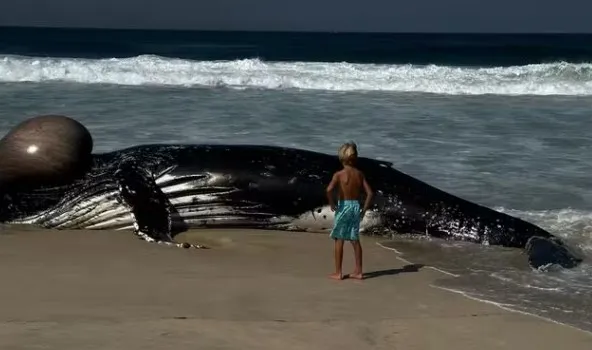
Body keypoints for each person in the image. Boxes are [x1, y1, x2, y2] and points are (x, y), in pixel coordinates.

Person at [325, 142, 373, 280]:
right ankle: (358, 271)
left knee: (339, 239)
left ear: (341, 158)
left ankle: (338, 272)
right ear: (355, 158)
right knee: (354, 239)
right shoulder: (360, 174)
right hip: (355, 206)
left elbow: (328, 190)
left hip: (343, 206)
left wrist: (332, 203)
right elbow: (370, 193)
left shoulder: (339, 175)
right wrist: (363, 210)